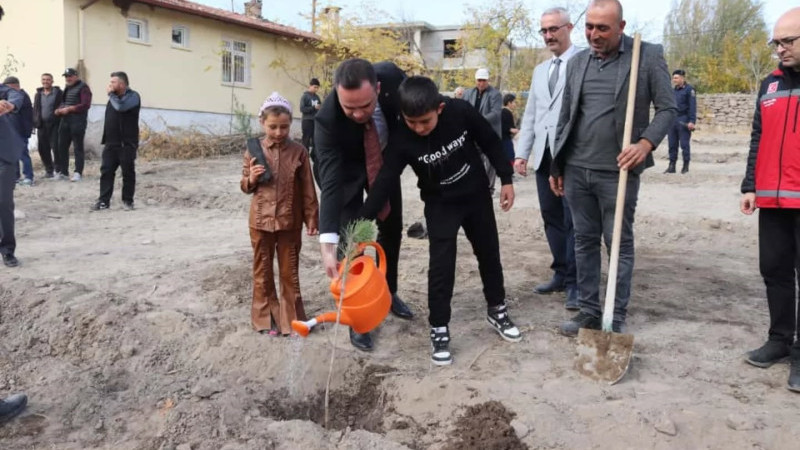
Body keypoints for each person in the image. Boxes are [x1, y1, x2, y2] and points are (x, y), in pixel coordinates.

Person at [358, 76, 521, 365]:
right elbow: (384, 181)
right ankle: (439, 327)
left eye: (425, 122)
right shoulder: (402, 138)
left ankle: (497, 309)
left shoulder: (460, 111)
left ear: (440, 108)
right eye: (412, 122)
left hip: (476, 197)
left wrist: (506, 179)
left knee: (489, 254)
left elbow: (490, 140)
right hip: (440, 205)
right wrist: (363, 222)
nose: (419, 129)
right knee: (441, 265)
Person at [550, 0, 676, 336]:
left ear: (620, 27)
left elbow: (667, 109)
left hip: (617, 172)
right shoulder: (577, 63)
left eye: (602, 28)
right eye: (589, 26)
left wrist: (645, 143)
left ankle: (614, 314)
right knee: (584, 241)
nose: (594, 34)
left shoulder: (645, 56)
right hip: (577, 168)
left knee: (618, 242)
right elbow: (566, 117)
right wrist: (556, 165)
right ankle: (589, 311)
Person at [314, 58, 414, 352]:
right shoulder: (326, 120)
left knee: (391, 229)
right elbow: (331, 184)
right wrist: (327, 243)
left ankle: (389, 291)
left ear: (379, 89)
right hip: (347, 172)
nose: (358, 114)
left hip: (384, 163)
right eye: (350, 108)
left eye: (365, 106)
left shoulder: (394, 79)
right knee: (350, 238)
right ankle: (359, 318)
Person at [740, 6, 800, 393]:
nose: (780, 49)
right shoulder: (770, 85)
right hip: (773, 202)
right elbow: (758, 138)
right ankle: (779, 340)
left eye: (788, 41)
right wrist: (750, 186)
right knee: (775, 272)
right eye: (776, 42)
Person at [514, 6, 580, 310]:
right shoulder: (540, 70)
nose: (548, 35)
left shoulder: (584, 62)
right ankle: (561, 273)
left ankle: (577, 283)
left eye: (554, 29)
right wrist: (521, 153)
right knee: (551, 217)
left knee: (574, 220)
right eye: (544, 30)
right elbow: (531, 116)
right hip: (543, 157)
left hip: (572, 157)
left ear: (569, 28)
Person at [241, 92, 319, 336]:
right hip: (260, 221)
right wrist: (251, 178)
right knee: (262, 272)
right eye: (273, 127)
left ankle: (291, 319)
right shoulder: (253, 149)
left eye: (284, 127)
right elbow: (245, 186)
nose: (278, 132)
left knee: (289, 272)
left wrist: (311, 218)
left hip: (289, 221)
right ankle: (266, 319)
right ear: (262, 122)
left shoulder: (299, 152)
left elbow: (308, 187)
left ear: (290, 124)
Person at [92, 71, 141, 211]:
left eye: (113, 82)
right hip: (110, 143)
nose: (110, 85)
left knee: (128, 173)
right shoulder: (113, 98)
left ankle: (127, 201)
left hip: (126, 144)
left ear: (121, 84)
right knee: (106, 172)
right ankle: (103, 201)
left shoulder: (133, 96)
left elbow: (121, 107)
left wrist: (111, 94)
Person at [463, 68, 503, 194]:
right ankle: (477, 184)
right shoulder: (468, 93)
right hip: (473, 133)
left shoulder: (495, 94)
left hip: (489, 133)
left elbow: (496, 113)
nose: (481, 83)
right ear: (476, 80)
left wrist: (478, 120)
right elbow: (463, 108)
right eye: (479, 80)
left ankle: (489, 187)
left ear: (488, 80)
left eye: (484, 80)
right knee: (474, 159)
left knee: (491, 162)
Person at [55, 67, 92, 181]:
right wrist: (59, 109)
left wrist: (70, 109)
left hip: (78, 121)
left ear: (76, 76)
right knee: (61, 146)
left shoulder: (83, 87)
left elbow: (85, 105)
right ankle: (63, 172)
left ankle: (78, 173)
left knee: (78, 148)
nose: (68, 78)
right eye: (66, 76)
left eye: (70, 76)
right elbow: (63, 102)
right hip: (65, 121)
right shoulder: (67, 88)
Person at [2, 77, 33, 186]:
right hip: (12, 131)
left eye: (7, 88)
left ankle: (28, 177)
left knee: (23, 154)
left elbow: (14, 108)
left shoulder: (21, 96)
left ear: (14, 85)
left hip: (21, 130)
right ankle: (15, 177)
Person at [665, 69, 696, 174]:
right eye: (673, 78)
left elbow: (692, 107)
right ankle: (671, 166)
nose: (674, 80)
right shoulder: (672, 90)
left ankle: (685, 166)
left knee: (684, 144)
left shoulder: (689, 90)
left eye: (676, 78)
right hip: (672, 119)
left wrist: (692, 121)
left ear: (683, 78)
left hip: (684, 119)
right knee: (672, 144)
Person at [33, 73, 63, 179]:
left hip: (54, 124)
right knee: (43, 148)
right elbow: (36, 109)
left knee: (56, 148)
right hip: (42, 125)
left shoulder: (58, 93)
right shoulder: (38, 94)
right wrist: (35, 122)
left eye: (48, 79)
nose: (46, 81)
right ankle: (49, 170)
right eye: (44, 79)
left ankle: (58, 170)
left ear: (52, 81)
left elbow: (63, 105)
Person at [299, 78, 321, 152]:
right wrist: (313, 108)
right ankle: (304, 157)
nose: (316, 89)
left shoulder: (317, 97)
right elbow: (302, 109)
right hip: (307, 120)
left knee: (315, 140)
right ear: (310, 86)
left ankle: (315, 157)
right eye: (315, 87)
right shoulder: (305, 96)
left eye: (317, 87)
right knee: (306, 140)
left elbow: (320, 107)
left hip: (315, 121)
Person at [501, 93, 518, 164]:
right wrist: (510, 129)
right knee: (510, 157)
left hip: (504, 138)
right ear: (509, 103)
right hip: (505, 139)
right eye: (514, 102)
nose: (515, 104)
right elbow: (503, 126)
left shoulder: (504, 111)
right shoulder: (506, 112)